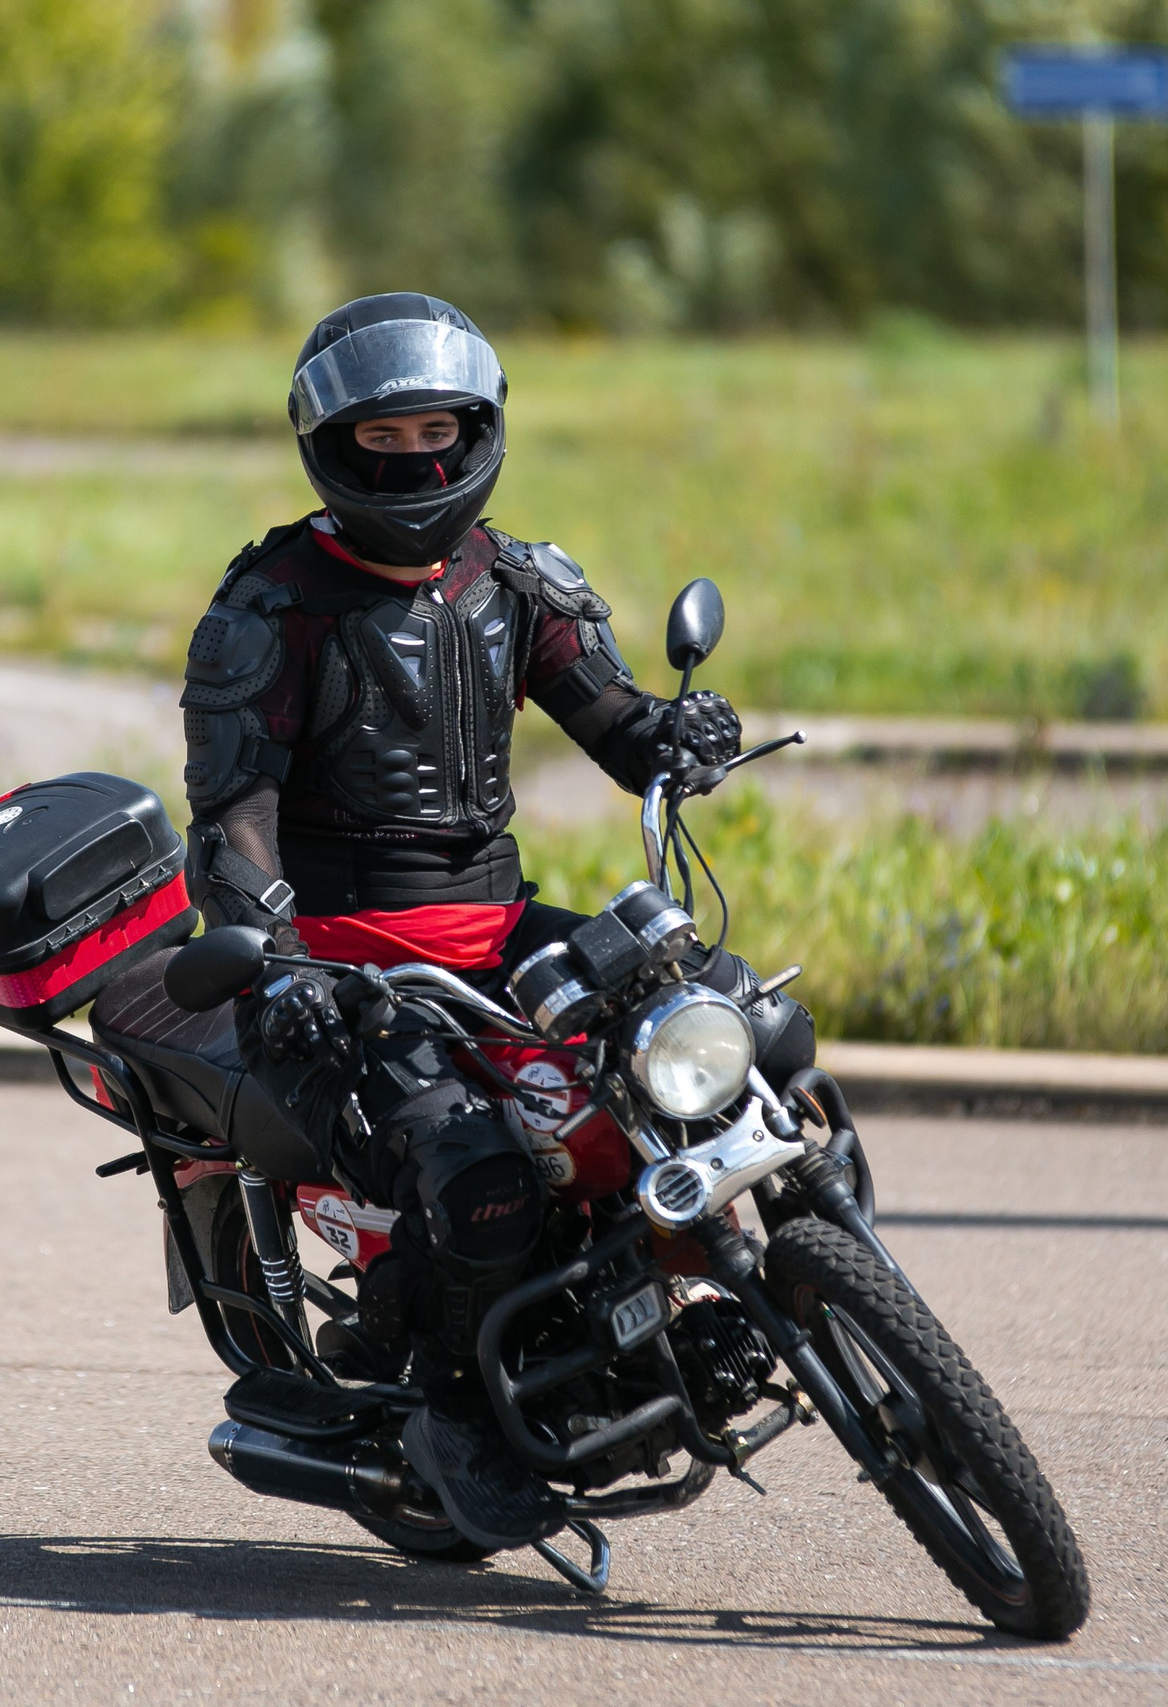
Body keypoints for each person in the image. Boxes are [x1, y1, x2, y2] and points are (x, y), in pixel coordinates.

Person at [165, 292, 814, 1549]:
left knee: (752, 1026)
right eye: (382, 437)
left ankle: (817, 1271)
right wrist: (280, 961)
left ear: (479, 432)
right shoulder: (268, 610)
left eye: (435, 431)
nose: (413, 458)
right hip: (343, 959)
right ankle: (454, 1416)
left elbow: (616, 725)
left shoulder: (514, 579)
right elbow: (229, 820)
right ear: (330, 445)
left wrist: (677, 733)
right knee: (478, 1176)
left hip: (495, 924)